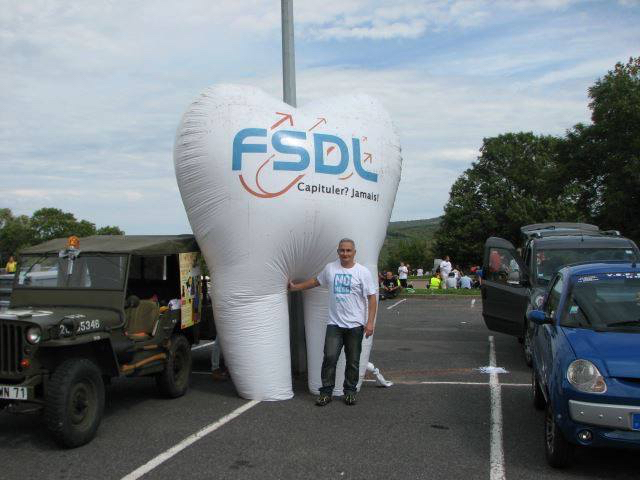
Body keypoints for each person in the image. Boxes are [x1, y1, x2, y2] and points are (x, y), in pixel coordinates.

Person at [289, 238, 377, 406]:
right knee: (329, 358)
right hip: (334, 324)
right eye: (342, 250)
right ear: (338, 252)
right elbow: (315, 281)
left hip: (355, 325)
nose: (345, 253)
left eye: (348, 250)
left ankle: (350, 392)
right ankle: (326, 393)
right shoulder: (330, 268)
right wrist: (295, 287)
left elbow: (372, 298)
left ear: (354, 252)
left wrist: (370, 322)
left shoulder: (362, 272)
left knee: (353, 361)